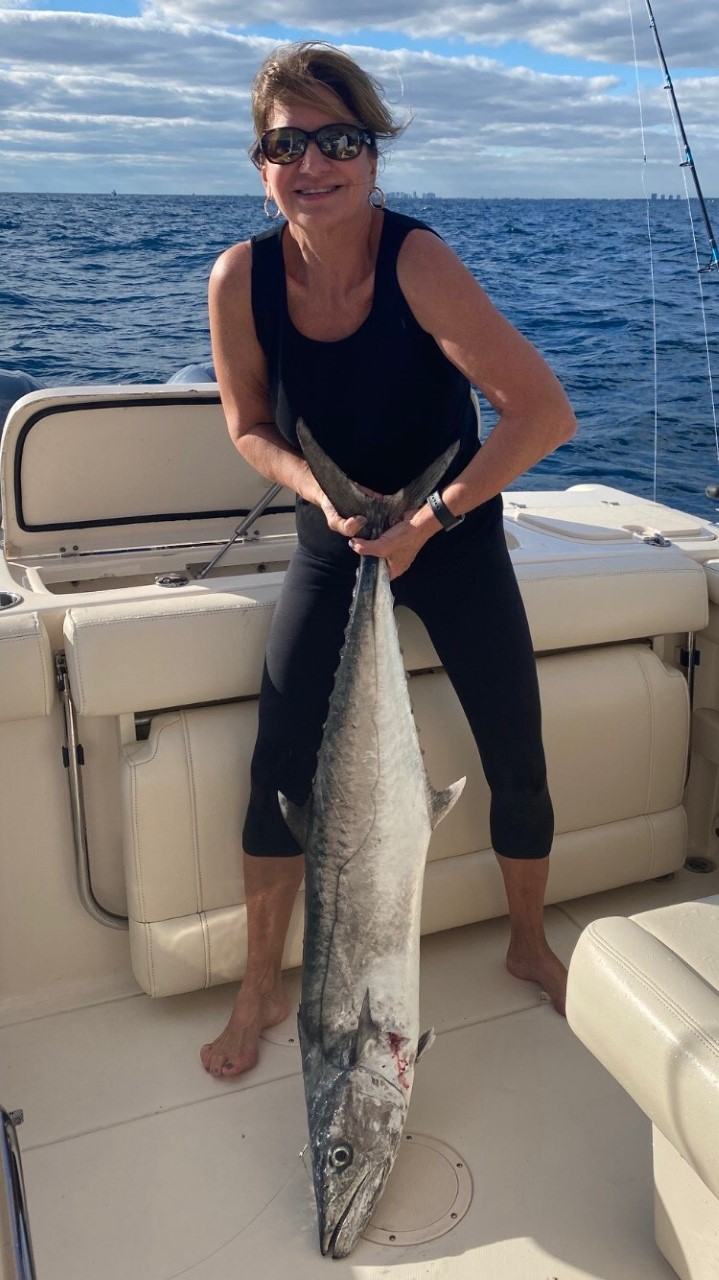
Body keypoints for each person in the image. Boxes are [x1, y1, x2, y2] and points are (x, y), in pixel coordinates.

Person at [201, 41, 577, 1080]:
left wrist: (431, 520)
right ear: (260, 160)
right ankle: (258, 982)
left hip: (449, 537)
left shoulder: (418, 262)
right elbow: (246, 425)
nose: (312, 161)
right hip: (334, 538)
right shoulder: (239, 277)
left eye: (338, 138)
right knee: (276, 762)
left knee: (516, 747)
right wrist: (321, 492)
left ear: (372, 155)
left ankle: (528, 941)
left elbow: (540, 412)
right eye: (288, 142)